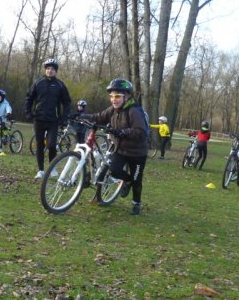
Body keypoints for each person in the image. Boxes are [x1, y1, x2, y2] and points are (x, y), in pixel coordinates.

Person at [81, 78, 148, 215]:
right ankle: (126, 180)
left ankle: (136, 203)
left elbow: (141, 131)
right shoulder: (113, 110)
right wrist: (81, 116)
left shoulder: (134, 111)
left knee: (137, 180)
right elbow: (98, 117)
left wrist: (122, 132)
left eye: (117, 96)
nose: (113, 99)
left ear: (127, 96)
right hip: (121, 150)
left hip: (137, 154)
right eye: (111, 96)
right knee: (114, 170)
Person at [24, 58, 72, 179]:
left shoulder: (60, 85)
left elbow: (67, 102)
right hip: (39, 119)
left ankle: (52, 168)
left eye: (52, 69)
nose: (50, 71)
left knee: (51, 145)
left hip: (53, 121)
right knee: (39, 145)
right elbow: (29, 97)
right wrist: (28, 112)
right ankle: (40, 170)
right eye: (48, 69)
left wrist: (64, 118)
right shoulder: (38, 83)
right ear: (45, 70)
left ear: (56, 71)